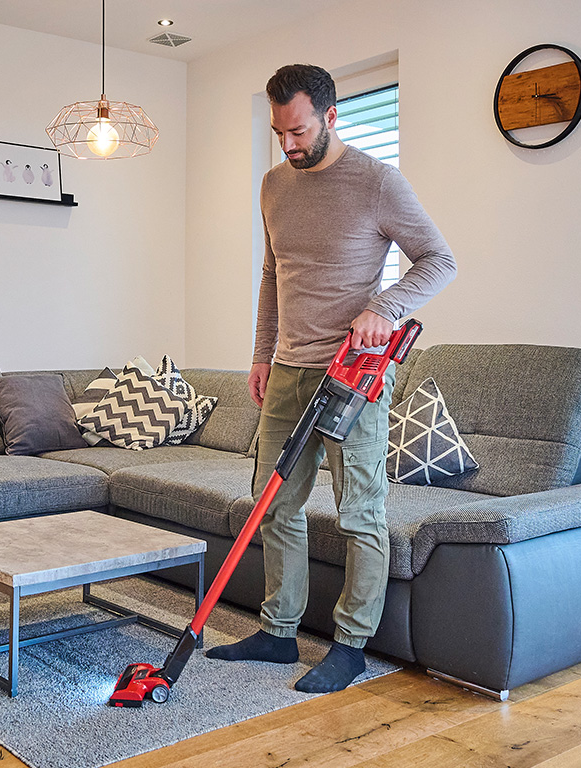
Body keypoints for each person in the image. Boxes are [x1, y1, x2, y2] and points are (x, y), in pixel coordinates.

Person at [205, 64, 457, 693]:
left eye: (297, 130)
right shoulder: (272, 186)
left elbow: (440, 259)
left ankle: (350, 646)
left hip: (354, 374)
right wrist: (262, 352)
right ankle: (279, 631)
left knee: (359, 512)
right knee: (273, 504)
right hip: (288, 367)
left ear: (330, 115)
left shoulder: (377, 182)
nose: (288, 144)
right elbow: (272, 274)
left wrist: (385, 308)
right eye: (278, 132)